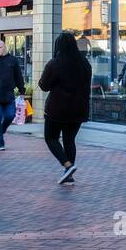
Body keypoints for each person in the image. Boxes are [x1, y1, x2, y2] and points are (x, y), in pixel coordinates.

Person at [38, 32, 92, 185]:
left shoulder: (54, 63)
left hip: (57, 109)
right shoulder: (85, 63)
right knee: (69, 140)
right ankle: (69, 174)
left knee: (51, 138)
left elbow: (44, 86)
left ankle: (67, 165)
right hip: (78, 109)